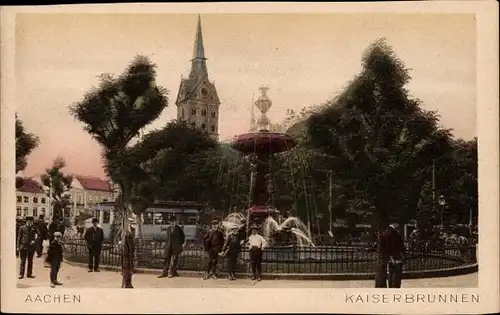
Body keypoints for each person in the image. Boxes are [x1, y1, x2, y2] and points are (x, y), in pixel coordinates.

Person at [376, 222, 405, 288]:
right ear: (394, 223)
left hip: (388, 257)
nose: (399, 225)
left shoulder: (386, 231)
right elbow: (392, 246)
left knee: (390, 275)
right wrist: (393, 258)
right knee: (395, 275)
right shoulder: (393, 233)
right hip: (395, 258)